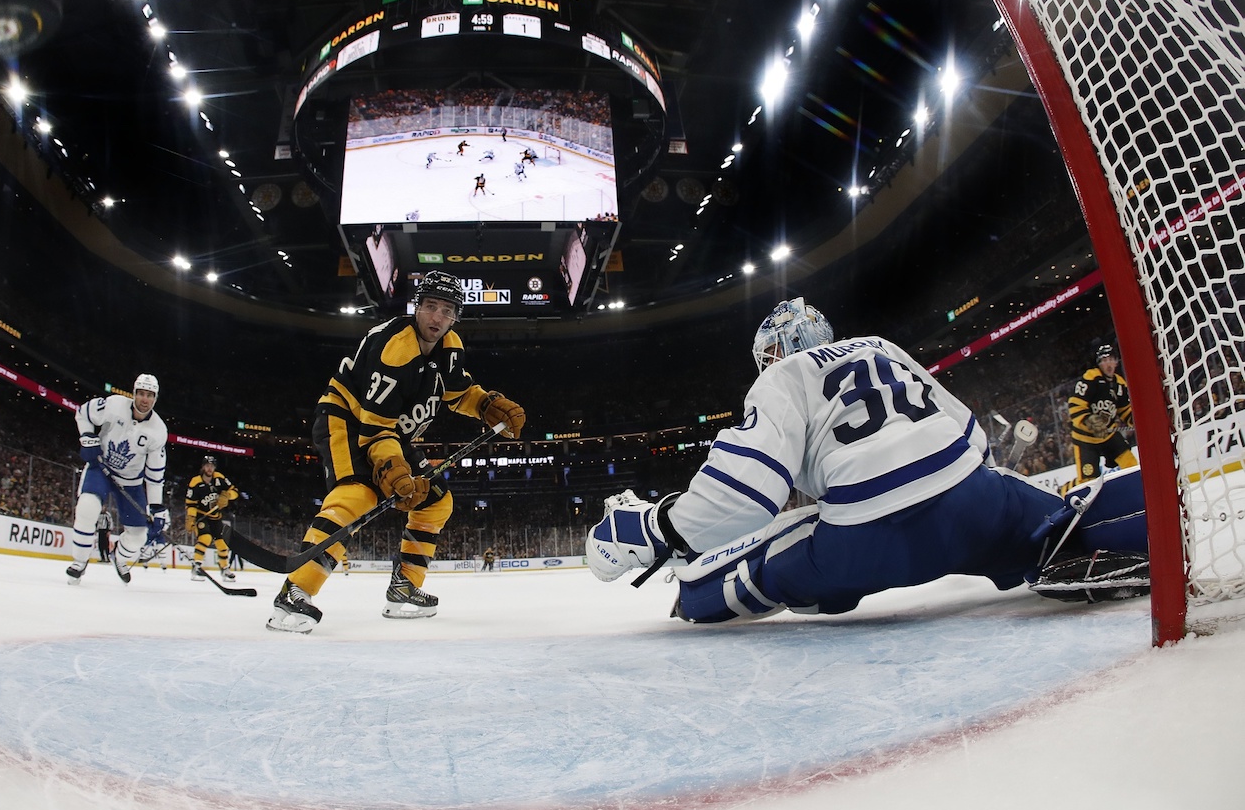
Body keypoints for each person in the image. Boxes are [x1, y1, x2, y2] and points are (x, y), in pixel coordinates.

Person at [585, 298, 1150, 622]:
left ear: (776, 353)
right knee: (1055, 517)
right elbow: (973, 438)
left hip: (867, 539)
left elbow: (745, 497)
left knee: (765, 559)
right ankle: (1149, 518)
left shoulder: (785, 376)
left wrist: (662, 525)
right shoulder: (881, 345)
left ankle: (693, 600)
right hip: (975, 504)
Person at [267, 270, 526, 632]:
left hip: (390, 431)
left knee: (435, 500)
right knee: (357, 495)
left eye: (447, 310)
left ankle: (405, 587)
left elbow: (457, 392)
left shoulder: (451, 346)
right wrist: (395, 472)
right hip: (348, 420)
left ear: (456, 317)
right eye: (431, 306)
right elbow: (374, 430)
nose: (437, 317)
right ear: (417, 307)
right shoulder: (393, 348)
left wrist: (486, 404)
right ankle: (295, 591)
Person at [66, 374, 169, 585]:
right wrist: (88, 439)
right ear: (134, 394)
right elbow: (83, 413)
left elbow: (155, 473)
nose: (144, 399)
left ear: (155, 398)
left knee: (139, 536)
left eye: (149, 395)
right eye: (141, 393)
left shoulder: (159, 430)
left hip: (130, 483)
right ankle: (80, 561)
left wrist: (156, 506)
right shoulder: (113, 404)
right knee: (87, 508)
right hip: (101, 469)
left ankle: (119, 558)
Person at [1066, 343, 1136, 489]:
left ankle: (1138, 492)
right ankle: (1065, 490)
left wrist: (1136, 421)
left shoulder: (1120, 384)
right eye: (1104, 360)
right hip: (1085, 439)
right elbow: (1075, 404)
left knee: (1131, 465)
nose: (1108, 363)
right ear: (1099, 363)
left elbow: (1124, 410)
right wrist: (1089, 420)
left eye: (1111, 359)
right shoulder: (1092, 378)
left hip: (1108, 435)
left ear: (1116, 362)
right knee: (1088, 482)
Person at [186, 455, 240, 581]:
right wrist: (191, 518)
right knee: (205, 538)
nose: (210, 468)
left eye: (212, 466)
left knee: (222, 543)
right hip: (201, 515)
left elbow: (235, 491)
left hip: (215, 517)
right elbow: (190, 503)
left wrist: (227, 495)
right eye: (207, 465)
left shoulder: (219, 478)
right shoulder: (195, 482)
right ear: (203, 467)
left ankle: (225, 569)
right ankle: (196, 567)